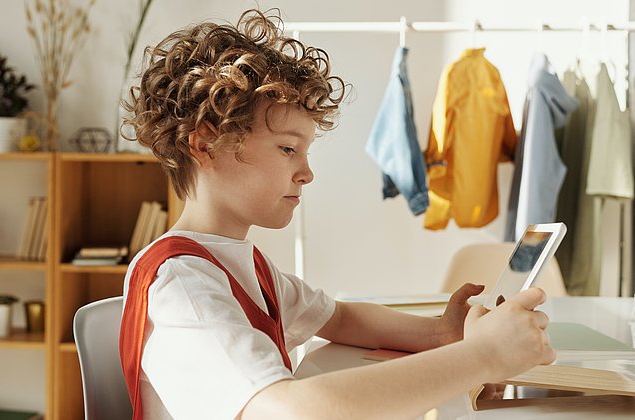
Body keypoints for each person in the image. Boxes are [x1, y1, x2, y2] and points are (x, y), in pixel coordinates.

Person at [119, 9, 555, 420]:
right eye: (288, 149)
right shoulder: (185, 287)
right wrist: (482, 356)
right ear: (205, 145)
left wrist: (441, 335)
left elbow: (340, 318)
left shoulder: (242, 264)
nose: (306, 173)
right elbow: (292, 411)